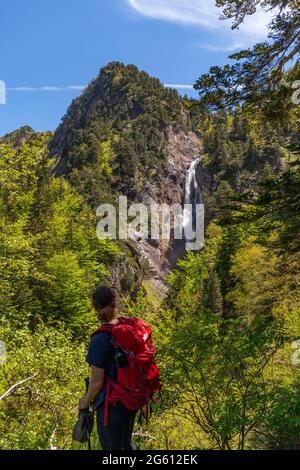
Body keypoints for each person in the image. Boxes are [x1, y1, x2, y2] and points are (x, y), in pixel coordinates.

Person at [78, 285, 137, 450]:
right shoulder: (126, 328)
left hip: (111, 405)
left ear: (94, 307)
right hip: (130, 399)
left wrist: (86, 401)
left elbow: (97, 381)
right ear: (115, 304)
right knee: (126, 445)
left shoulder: (100, 339)